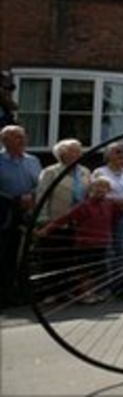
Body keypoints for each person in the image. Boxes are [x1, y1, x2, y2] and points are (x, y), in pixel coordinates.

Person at [35, 178, 123, 304]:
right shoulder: (84, 205)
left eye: (104, 187)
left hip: (102, 243)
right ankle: (84, 293)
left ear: (108, 190)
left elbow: (115, 218)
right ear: (90, 190)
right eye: (97, 187)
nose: (100, 190)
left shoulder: (110, 204)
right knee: (84, 270)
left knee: (97, 270)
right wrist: (47, 229)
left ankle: (92, 292)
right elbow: (65, 218)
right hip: (85, 243)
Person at [0, 125, 42, 303]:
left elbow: (40, 183)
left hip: (28, 211)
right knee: (5, 252)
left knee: (25, 253)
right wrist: (15, 198)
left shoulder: (32, 160)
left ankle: (22, 291)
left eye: (23, 136)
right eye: (17, 137)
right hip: (5, 210)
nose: (22, 140)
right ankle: (4, 292)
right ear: (5, 141)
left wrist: (32, 196)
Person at [92, 141, 123, 268]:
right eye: (118, 151)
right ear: (108, 154)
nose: (122, 154)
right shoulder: (99, 172)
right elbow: (94, 193)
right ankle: (107, 279)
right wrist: (114, 202)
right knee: (106, 246)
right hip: (105, 213)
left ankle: (122, 278)